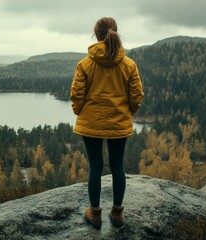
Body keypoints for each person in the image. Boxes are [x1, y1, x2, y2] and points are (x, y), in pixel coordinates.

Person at [70, 17, 144, 229]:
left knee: (95, 167)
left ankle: (94, 214)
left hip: (91, 123)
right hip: (119, 123)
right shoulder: (129, 65)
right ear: (115, 33)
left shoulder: (85, 64)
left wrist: (80, 112)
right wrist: (127, 112)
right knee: (117, 166)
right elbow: (137, 95)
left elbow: (76, 95)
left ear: (97, 35)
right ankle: (117, 213)